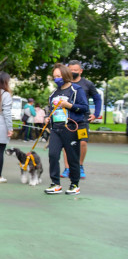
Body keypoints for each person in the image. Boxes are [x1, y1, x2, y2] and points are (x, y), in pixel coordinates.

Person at [44, 63, 88, 195]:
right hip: (56, 129)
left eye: (58, 76)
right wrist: (48, 118)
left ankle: (74, 184)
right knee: (52, 155)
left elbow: (84, 108)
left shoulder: (76, 90)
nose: (56, 78)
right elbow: (51, 110)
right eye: (54, 76)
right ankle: (55, 183)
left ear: (65, 75)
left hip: (70, 128)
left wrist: (69, 105)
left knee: (72, 157)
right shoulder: (53, 94)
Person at [60, 60, 102, 180]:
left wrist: (96, 114)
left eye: (75, 70)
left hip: (82, 119)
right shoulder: (63, 84)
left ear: (81, 71)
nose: (73, 72)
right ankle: (67, 168)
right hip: (66, 119)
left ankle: (80, 166)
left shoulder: (87, 84)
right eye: (70, 70)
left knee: (82, 142)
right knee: (66, 144)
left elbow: (97, 99)